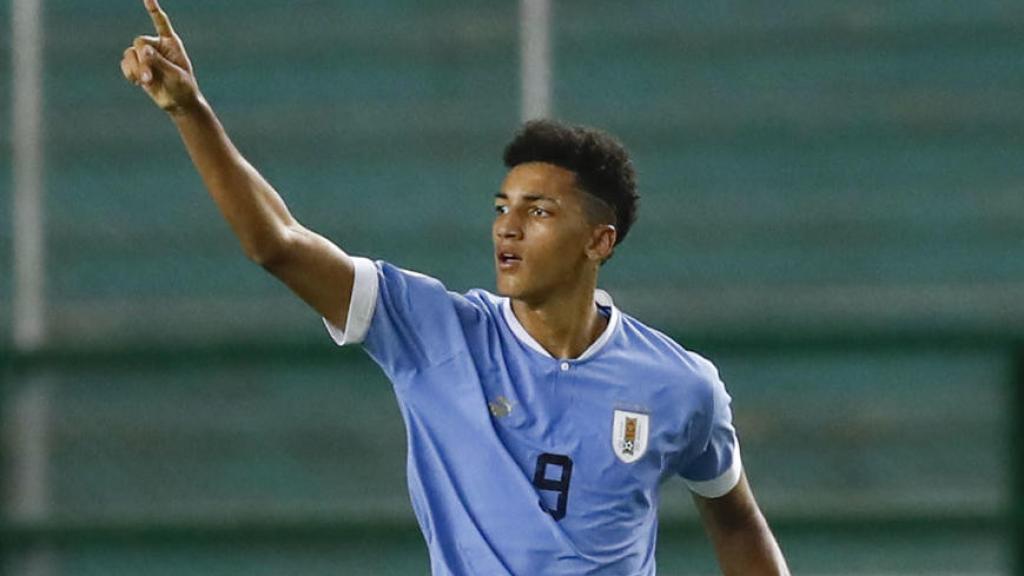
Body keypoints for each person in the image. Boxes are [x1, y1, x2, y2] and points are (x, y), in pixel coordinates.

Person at [120, 0, 790, 573]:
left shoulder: (680, 386)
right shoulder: (432, 330)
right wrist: (190, 111)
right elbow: (278, 242)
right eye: (502, 207)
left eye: (539, 211)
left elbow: (734, 521)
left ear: (599, 241)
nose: (509, 228)